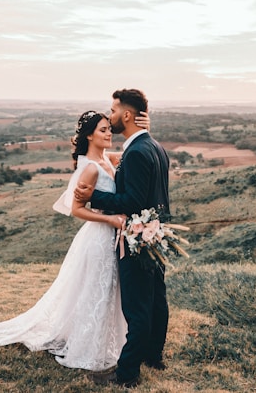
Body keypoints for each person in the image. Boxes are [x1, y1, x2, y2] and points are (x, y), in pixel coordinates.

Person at [0, 110, 149, 371]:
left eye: (108, 129)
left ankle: (108, 342)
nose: (108, 133)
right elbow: (77, 210)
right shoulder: (90, 169)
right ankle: (87, 345)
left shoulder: (107, 159)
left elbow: (135, 151)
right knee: (95, 291)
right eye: (102, 130)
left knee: (107, 290)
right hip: (99, 237)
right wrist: (111, 220)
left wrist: (146, 126)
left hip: (112, 237)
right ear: (89, 135)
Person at [75, 88, 170, 388]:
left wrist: (95, 196)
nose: (111, 115)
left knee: (138, 307)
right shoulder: (154, 146)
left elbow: (133, 200)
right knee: (156, 300)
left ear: (127, 115)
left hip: (137, 238)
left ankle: (127, 372)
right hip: (155, 235)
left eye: (114, 110)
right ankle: (153, 356)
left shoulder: (139, 151)